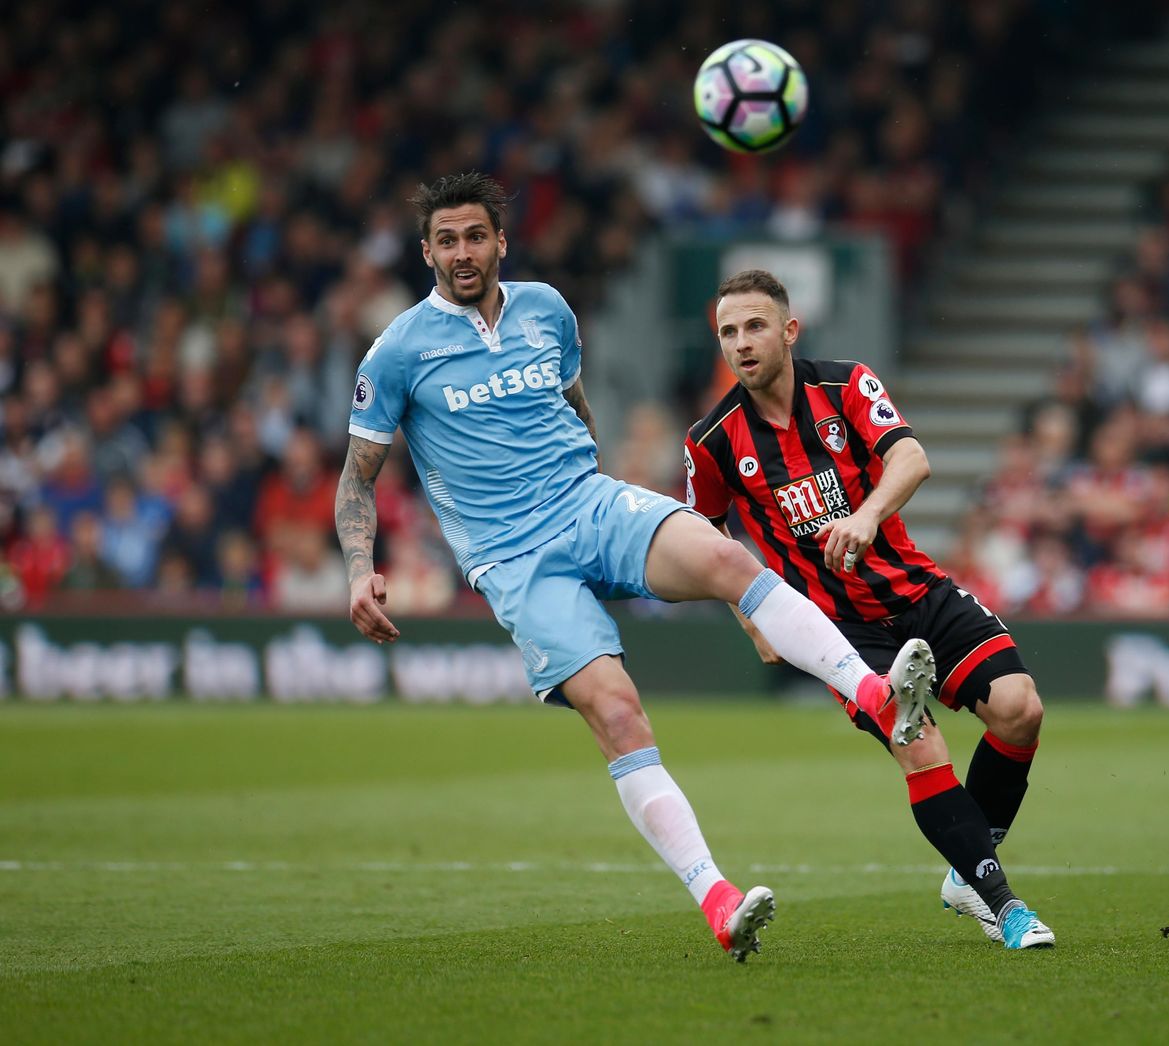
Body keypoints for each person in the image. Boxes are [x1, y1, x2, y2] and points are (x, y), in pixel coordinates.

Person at [334, 173, 936, 962]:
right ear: (426, 252)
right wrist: (358, 569)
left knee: (725, 556)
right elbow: (357, 476)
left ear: (501, 242)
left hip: (589, 503)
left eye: (475, 236)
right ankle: (718, 900)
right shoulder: (400, 349)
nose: (462, 253)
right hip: (515, 561)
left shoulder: (546, 309)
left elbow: (573, 404)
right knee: (618, 715)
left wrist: (603, 474)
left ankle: (877, 696)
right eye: (446, 240)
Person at [682, 269, 1054, 949]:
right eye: (728, 332)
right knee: (921, 744)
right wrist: (751, 614)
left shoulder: (846, 384)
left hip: (918, 593)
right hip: (838, 632)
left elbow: (910, 457)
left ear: (789, 331)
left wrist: (867, 515)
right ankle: (1005, 906)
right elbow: (702, 538)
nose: (741, 342)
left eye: (755, 326)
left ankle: (966, 868)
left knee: (1020, 709)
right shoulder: (712, 441)